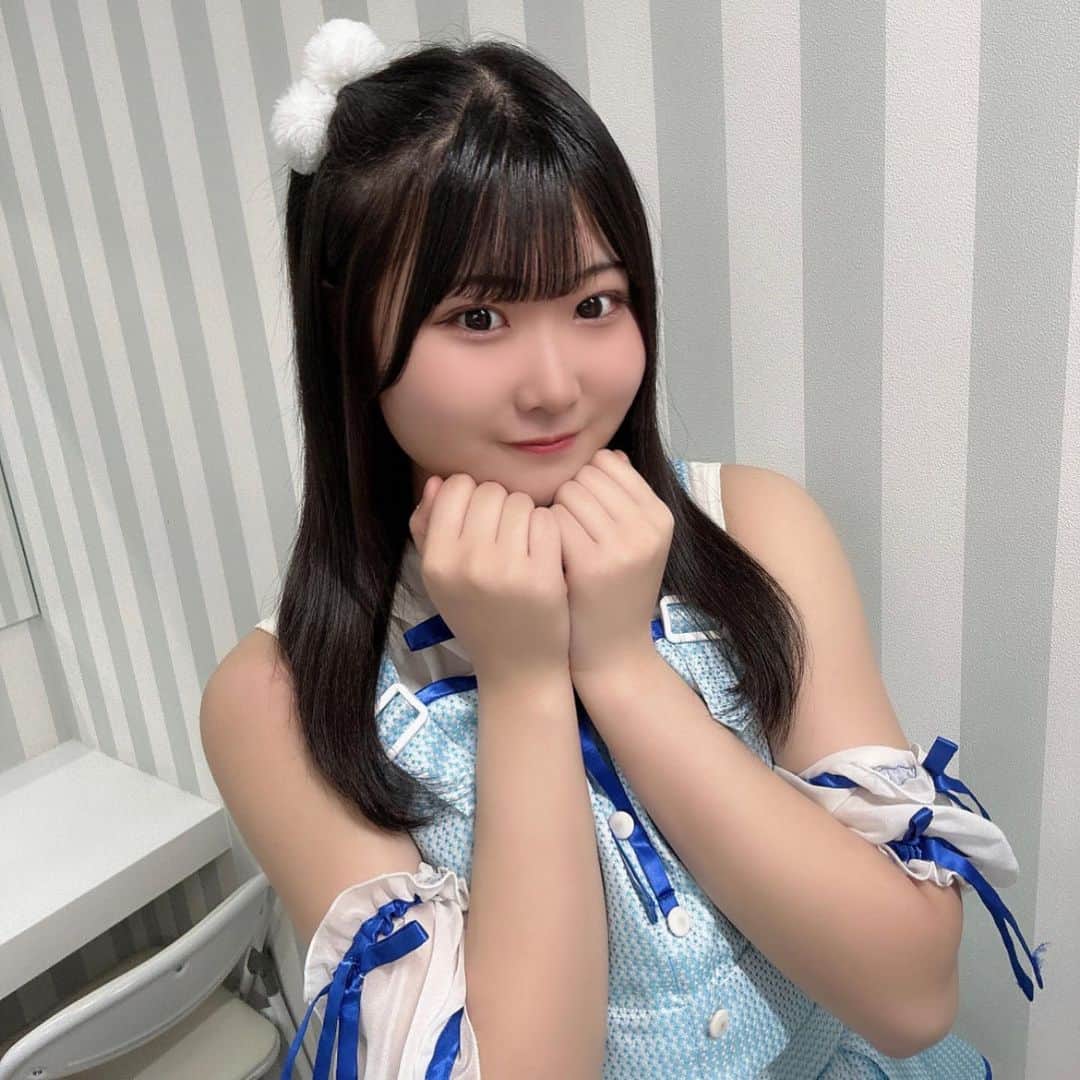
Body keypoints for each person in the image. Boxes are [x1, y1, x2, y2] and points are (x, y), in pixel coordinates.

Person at [199, 18, 1046, 1079]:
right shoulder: (280, 697)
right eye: (477, 317)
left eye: (594, 303)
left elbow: (912, 993)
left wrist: (618, 665)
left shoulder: (757, 526)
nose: (557, 385)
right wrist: (522, 677)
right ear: (347, 330)